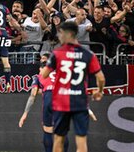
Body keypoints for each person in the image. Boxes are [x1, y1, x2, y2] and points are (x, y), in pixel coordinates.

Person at [40, 21, 105, 152]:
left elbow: (44, 74)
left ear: (69, 34)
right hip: (80, 102)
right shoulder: (88, 54)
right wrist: (99, 91)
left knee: (58, 140)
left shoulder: (57, 54)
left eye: (61, 33)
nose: (59, 36)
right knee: (81, 141)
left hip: (61, 102)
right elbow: (101, 78)